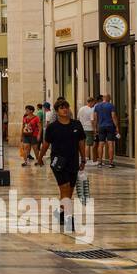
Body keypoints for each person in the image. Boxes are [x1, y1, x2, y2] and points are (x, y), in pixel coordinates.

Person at [37, 99, 87, 233]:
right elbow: (46, 144)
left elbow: (81, 142)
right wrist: (40, 157)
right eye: (62, 108)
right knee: (65, 190)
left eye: (66, 107)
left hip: (73, 162)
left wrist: (83, 159)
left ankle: (60, 212)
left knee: (69, 192)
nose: (65, 110)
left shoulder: (76, 124)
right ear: (57, 111)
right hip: (58, 163)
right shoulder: (52, 127)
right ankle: (69, 221)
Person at [93, 93, 118, 167]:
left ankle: (100, 162)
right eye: (109, 98)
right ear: (108, 98)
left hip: (101, 126)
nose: (110, 99)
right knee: (110, 144)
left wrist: (95, 128)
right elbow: (113, 116)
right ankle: (111, 162)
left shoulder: (97, 106)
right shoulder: (111, 106)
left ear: (103, 98)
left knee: (101, 144)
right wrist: (116, 126)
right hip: (110, 126)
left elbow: (95, 118)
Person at [76, 96, 96, 164]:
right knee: (88, 144)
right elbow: (92, 120)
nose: (94, 104)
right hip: (89, 128)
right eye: (93, 102)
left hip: (82, 128)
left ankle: (83, 157)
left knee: (83, 143)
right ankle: (87, 158)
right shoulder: (92, 110)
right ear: (91, 102)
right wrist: (94, 129)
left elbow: (78, 118)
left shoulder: (81, 109)